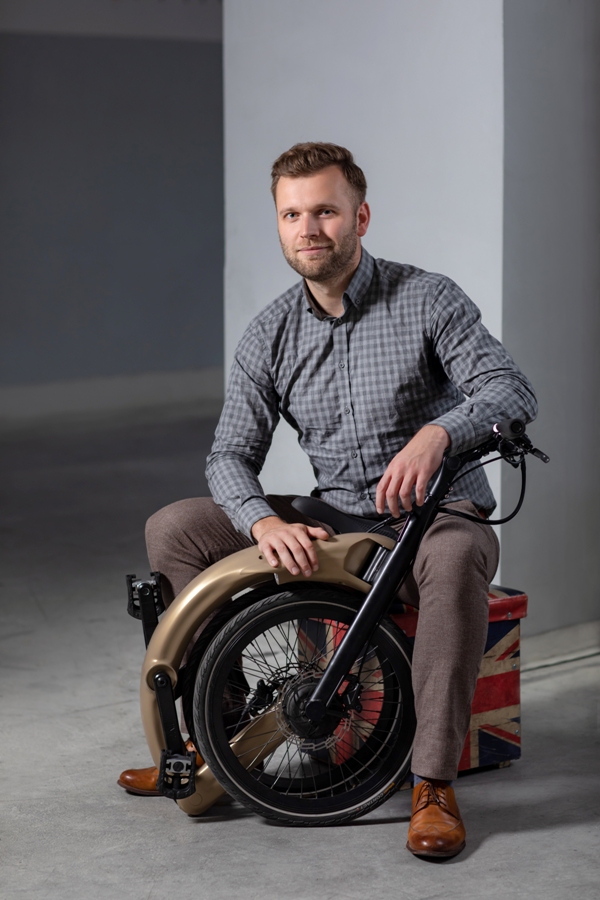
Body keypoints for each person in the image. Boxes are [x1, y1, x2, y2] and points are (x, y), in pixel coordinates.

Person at [118, 142, 537, 858]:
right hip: (338, 515)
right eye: (292, 215)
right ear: (280, 226)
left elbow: (511, 390)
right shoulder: (270, 334)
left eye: (325, 212)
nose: (308, 228)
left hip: (433, 516)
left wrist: (439, 433)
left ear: (360, 217)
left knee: (456, 555)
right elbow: (228, 455)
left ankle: (432, 782)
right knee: (177, 527)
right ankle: (218, 744)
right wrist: (261, 520)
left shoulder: (428, 298)